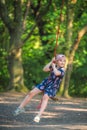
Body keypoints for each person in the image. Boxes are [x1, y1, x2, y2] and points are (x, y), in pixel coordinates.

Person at [13, 54, 66, 123]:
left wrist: (53, 66)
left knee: (45, 97)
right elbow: (45, 69)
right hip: (46, 82)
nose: (63, 62)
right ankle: (20, 108)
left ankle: (38, 115)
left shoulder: (62, 70)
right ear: (57, 61)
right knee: (31, 93)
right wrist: (51, 62)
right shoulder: (54, 66)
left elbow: (56, 73)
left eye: (64, 61)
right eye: (60, 61)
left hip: (53, 86)